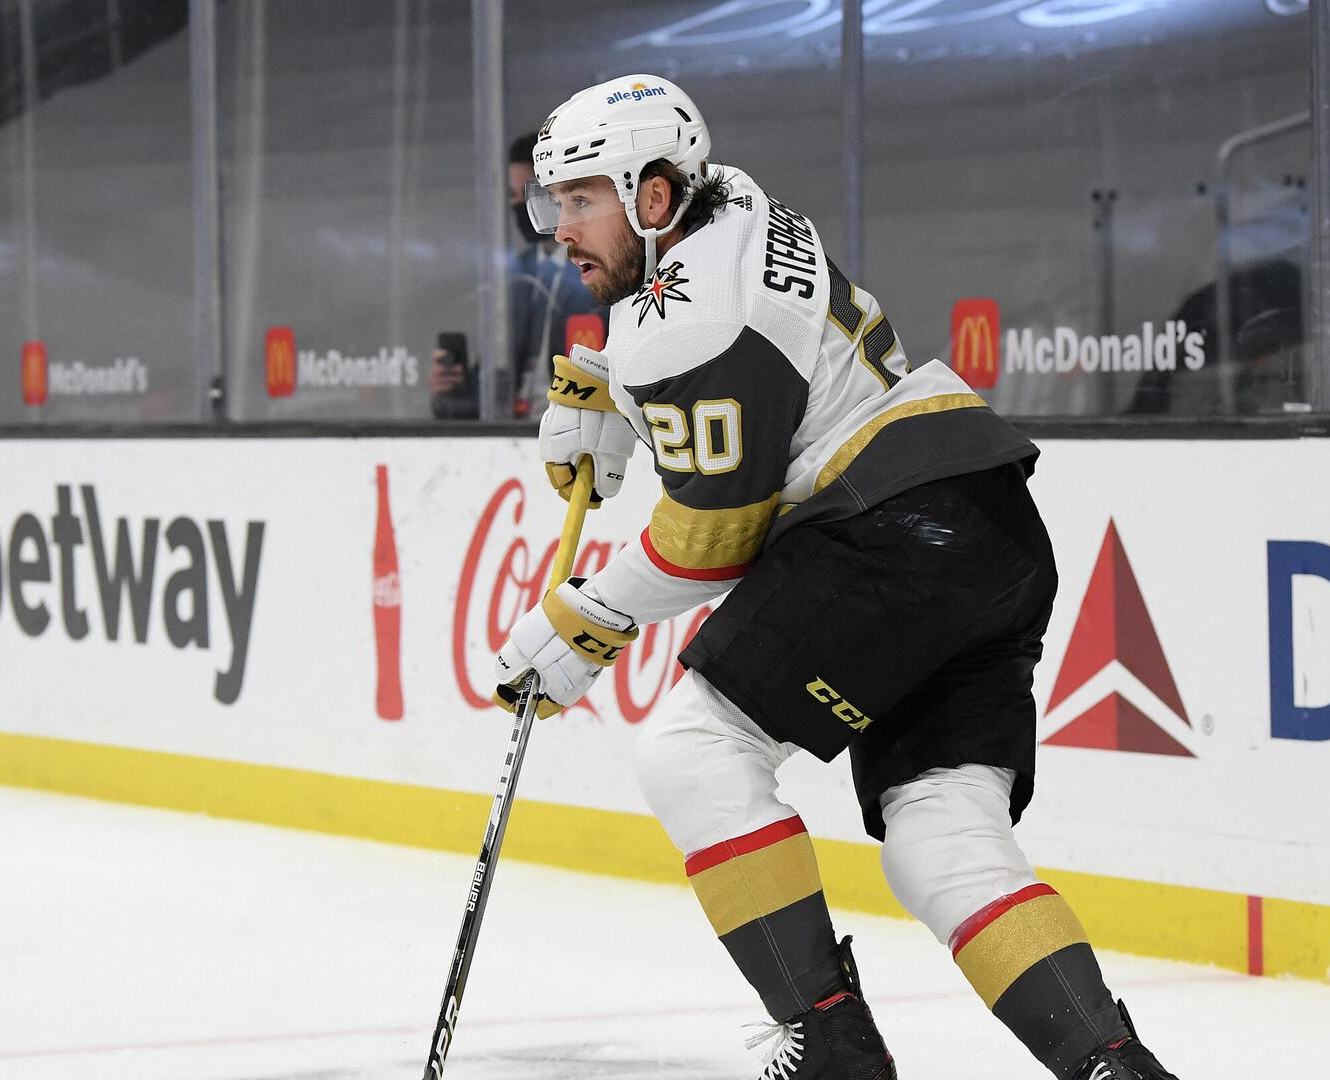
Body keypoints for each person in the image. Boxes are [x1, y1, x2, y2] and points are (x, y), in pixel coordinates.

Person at [487, 74, 1177, 1080]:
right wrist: (614, 386)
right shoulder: (732, 193)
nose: (559, 229)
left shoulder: (693, 315)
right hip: (989, 526)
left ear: (652, 195)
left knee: (692, 751)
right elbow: (762, 363)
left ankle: (830, 1045)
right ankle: (1113, 1064)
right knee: (942, 838)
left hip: (892, 531)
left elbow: (715, 534)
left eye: (581, 199)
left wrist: (587, 623)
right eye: (553, 203)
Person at [430, 135, 610, 419]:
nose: (516, 205)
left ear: (554, 194)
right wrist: (451, 391)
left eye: (524, 194)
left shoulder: (603, 266)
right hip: (518, 432)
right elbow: (492, 381)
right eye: (512, 195)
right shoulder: (516, 274)